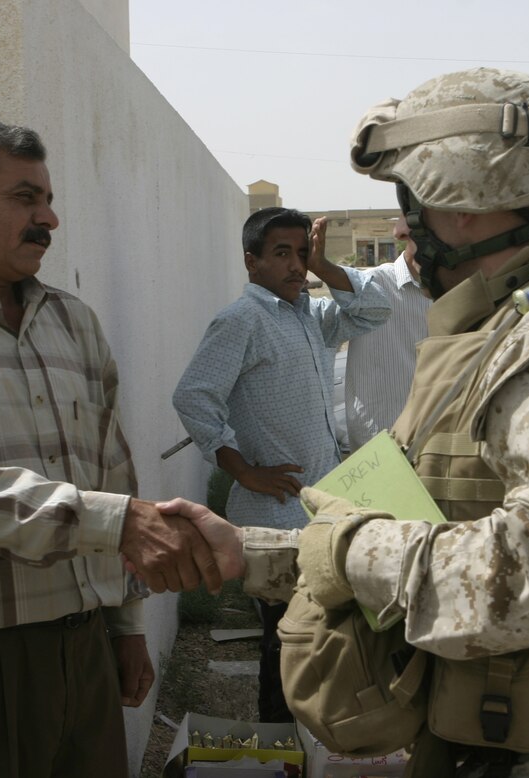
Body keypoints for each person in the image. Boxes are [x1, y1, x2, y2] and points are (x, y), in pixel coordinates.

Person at [164, 67, 529, 777]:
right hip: (513, 735)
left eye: (414, 201)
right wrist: (246, 554)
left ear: (462, 205)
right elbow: (439, 533)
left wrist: (345, 552)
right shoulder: (510, 329)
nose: (409, 224)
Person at [0, 118, 222, 778]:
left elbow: (113, 473)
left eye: (49, 201)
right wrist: (118, 525)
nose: (48, 218)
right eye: (25, 198)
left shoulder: (71, 322)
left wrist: (125, 625)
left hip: (79, 654)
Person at [172, 206, 389, 721]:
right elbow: (194, 396)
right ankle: (280, 750)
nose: (296, 266)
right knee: (285, 645)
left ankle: (313, 745)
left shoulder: (308, 315)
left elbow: (375, 310)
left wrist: (327, 267)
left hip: (318, 510)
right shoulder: (241, 320)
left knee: (320, 640)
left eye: (301, 253)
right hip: (274, 516)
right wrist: (241, 469)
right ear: (252, 262)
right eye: (282, 254)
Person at [344, 217, 431, 450]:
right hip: (379, 439)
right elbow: (339, 282)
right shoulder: (375, 282)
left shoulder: (450, 291)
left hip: (430, 437)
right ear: (405, 237)